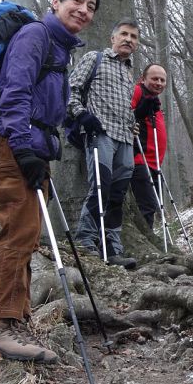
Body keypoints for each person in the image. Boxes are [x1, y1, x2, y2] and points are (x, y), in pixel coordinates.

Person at [0, 0, 100, 363]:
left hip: (30, 146)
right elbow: (14, 92)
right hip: (10, 142)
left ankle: (15, 318)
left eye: (91, 6)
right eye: (77, 1)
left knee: (28, 232)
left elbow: (46, 106)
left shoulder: (60, 48)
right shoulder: (35, 35)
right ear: (55, 1)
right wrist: (23, 147)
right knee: (20, 229)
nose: (83, 10)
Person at [69, 19, 140, 269]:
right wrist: (82, 115)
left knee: (118, 194)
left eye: (133, 37)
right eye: (124, 34)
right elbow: (72, 89)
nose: (128, 40)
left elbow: (126, 107)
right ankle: (86, 242)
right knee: (101, 187)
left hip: (125, 139)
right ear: (113, 38)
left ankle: (112, 248)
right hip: (101, 134)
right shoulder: (94, 58)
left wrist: (133, 124)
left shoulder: (129, 73)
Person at [129, 64, 168, 230]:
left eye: (162, 80)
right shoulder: (138, 91)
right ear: (143, 79)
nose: (158, 83)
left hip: (153, 164)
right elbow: (127, 114)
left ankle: (149, 237)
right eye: (154, 79)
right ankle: (147, 237)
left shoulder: (154, 100)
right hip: (139, 160)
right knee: (147, 206)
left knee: (151, 206)